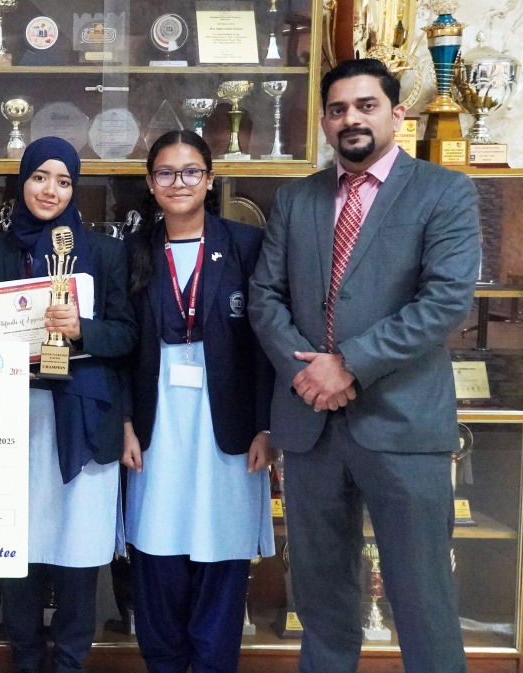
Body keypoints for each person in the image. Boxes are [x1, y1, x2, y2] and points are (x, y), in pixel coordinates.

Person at [248, 58, 479, 673]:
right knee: (322, 601)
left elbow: (447, 301)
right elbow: (265, 297)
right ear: (324, 122)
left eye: (366, 105)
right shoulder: (297, 199)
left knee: (422, 601)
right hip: (311, 429)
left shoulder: (443, 191)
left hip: (402, 426)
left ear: (397, 113)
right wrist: (308, 374)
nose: (351, 118)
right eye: (338, 109)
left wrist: (347, 364)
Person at [0, 136, 137, 673]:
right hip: (13, 418)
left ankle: (69, 661)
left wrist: (81, 331)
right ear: (21, 180)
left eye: (64, 180)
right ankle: (23, 656)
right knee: (15, 544)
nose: (51, 190)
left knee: (75, 552)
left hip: (83, 418)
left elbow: (127, 336)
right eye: (40, 176)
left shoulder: (107, 252)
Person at [121, 129, 274, 673]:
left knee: (220, 546)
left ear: (210, 180)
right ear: (150, 182)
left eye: (191, 172)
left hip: (227, 419)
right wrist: (123, 422)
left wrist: (266, 427)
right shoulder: (131, 252)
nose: (178, 182)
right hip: (155, 418)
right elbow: (118, 346)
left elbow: (266, 343)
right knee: (157, 549)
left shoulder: (247, 246)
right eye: (166, 172)